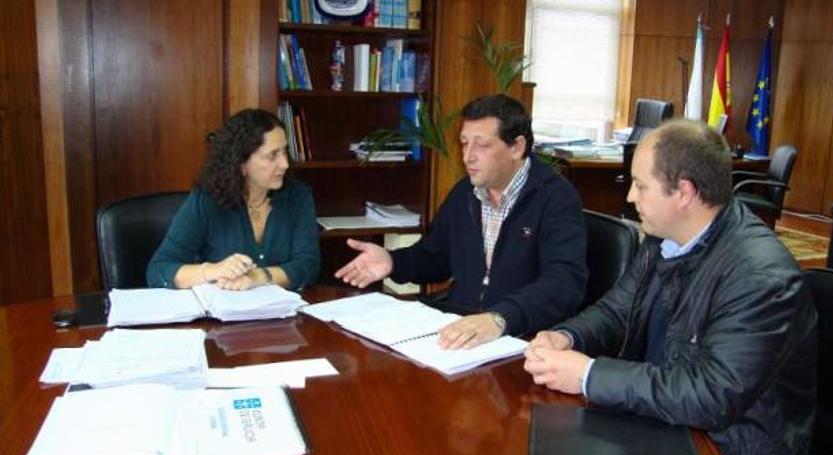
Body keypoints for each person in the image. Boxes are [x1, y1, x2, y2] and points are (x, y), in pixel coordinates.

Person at [524, 119, 817, 455]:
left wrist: (589, 375)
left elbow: (710, 395)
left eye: (641, 186)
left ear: (683, 193)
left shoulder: (761, 279)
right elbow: (617, 310)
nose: (630, 197)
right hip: (662, 422)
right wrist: (567, 337)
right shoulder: (663, 239)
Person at [335, 94, 587, 349]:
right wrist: (392, 261)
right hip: (459, 326)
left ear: (517, 147)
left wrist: (500, 319)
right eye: (464, 143)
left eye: (482, 145)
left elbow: (563, 285)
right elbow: (435, 258)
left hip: (521, 336)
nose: (468, 156)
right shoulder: (465, 193)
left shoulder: (556, 198)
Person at [147, 108, 319, 291]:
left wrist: (258, 277)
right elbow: (159, 269)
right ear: (241, 162)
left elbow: (308, 266)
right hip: (223, 316)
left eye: (285, 152)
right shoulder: (206, 200)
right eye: (272, 155)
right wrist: (214, 271)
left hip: (285, 316)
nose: (284, 163)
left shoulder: (298, 196)